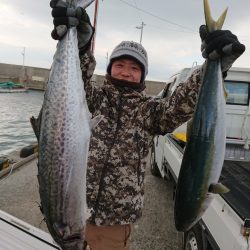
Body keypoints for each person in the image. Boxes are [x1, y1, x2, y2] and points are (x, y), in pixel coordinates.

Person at [49, 1, 245, 249]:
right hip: (71, 208)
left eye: (134, 68)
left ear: (143, 75)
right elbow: (75, 79)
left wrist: (214, 67)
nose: (125, 72)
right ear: (110, 69)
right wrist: (81, 46)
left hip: (115, 220)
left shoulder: (149, 111)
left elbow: (179, 105)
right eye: (119, 65)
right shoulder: (93, 99)